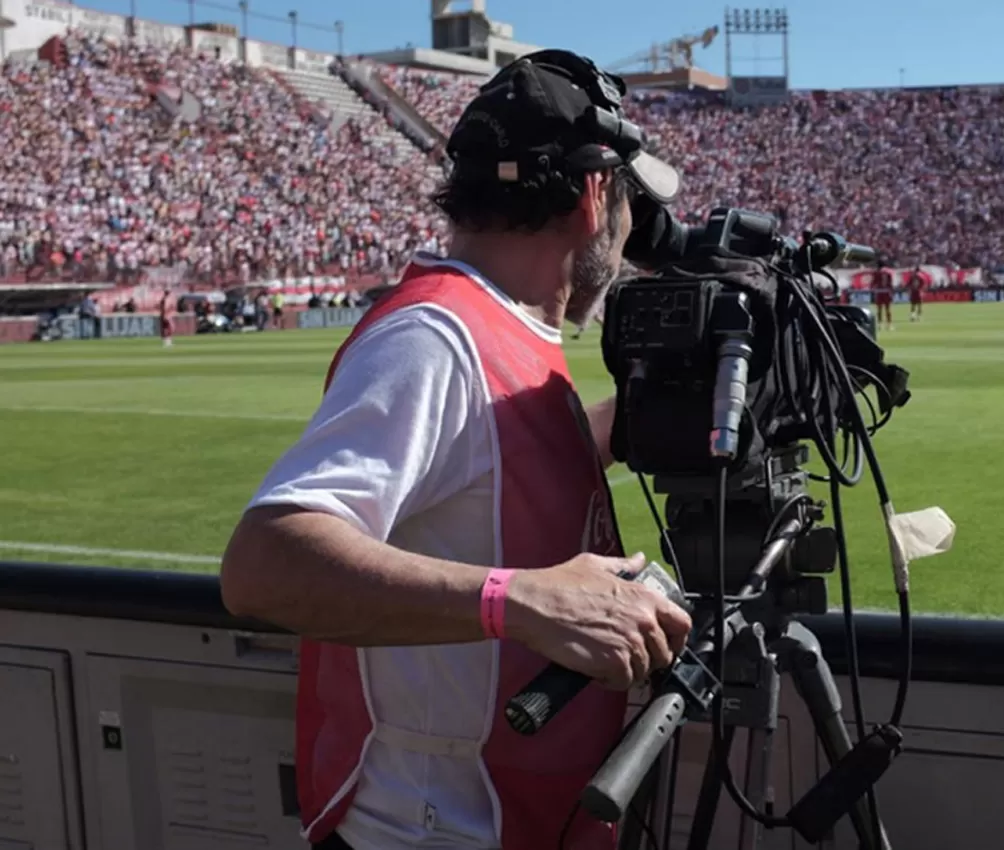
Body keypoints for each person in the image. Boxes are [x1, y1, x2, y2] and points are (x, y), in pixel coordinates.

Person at [218, 50, 693, 850]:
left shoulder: (495, 323)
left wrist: (657, 416)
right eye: (628, 202)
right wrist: (525, 600)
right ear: (592, 194)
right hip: (438, 830)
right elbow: (263, 564)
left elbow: (495, 462)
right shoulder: (435, 335)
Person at [872, 260, 894, 330]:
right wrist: (891, 291)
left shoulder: (876, 272)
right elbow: (890, 282)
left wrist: (873, 288)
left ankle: (879, 325)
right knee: (888, 309)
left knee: (879, 309)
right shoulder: (889, 272)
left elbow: (874, 282)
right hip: (886, 291)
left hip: (879, 291)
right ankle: (889, 325)